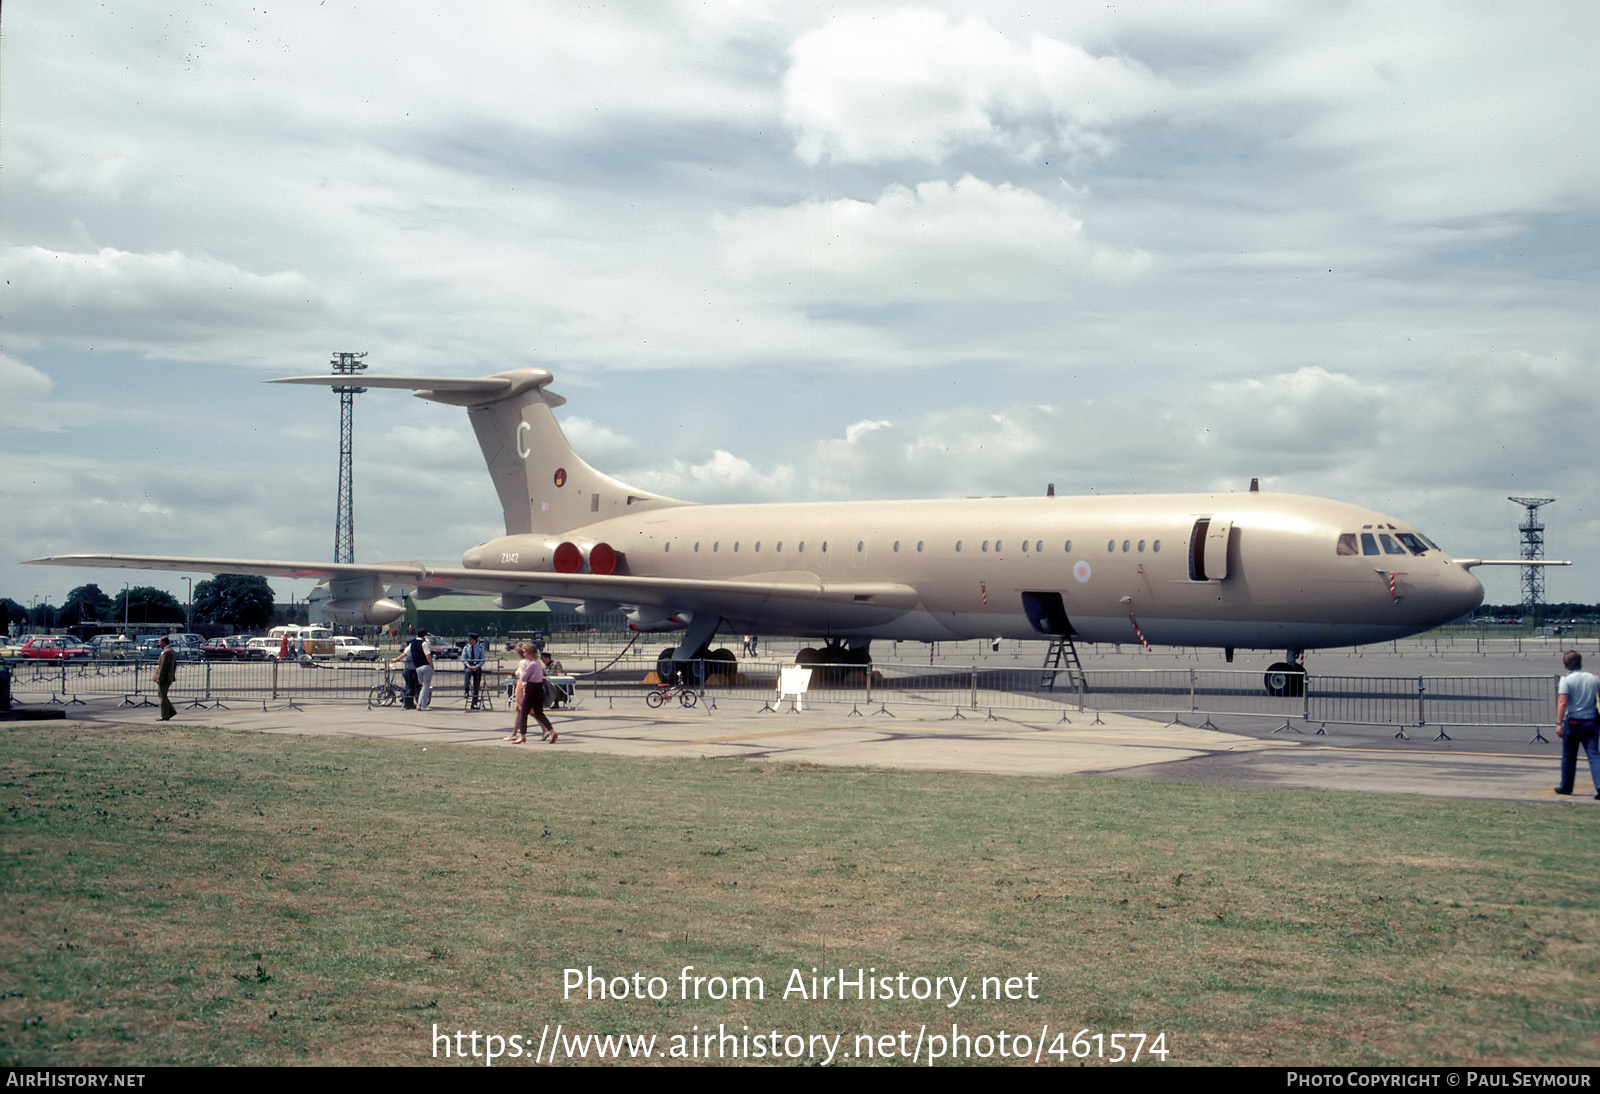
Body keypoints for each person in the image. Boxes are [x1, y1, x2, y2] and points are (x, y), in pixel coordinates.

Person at [1555, 650, 1600, 799]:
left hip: (1574, 721)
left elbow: (1563, 702)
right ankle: (1599, 785)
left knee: (1569, 756)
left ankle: (1566, 786)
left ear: (1566, 663)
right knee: (1594, 755)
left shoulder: (1566, 680)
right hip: (1591, 721)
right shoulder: (1594, 678)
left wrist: (1558, 723)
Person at [511, 643, 556, 744]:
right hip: (539, 688)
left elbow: (523, 677)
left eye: (526, 652)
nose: (524, 654)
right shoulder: (538, 664)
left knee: (523, 712)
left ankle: (522, 735)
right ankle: (551, 731)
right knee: (539, 713)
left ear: (531, 653)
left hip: (531, 688)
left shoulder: (531, 664)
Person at [154, 636, 177, 721]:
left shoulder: (166, 652)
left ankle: (165, 715)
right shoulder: (172, 651)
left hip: (164, 678)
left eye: (159, 642)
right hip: (168, 677)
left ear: (163, 643)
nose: (158, 644)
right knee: (162, 695)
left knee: (162, 696)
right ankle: (170, 712)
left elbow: (163, 666)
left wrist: (159, 678)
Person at [461, 633, 487, 709]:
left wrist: (477, 666)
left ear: (474, 640)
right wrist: (468, 666)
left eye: (470, 639)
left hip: (477, 666)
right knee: (468, 673)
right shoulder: (466, 648)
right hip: (469, 666)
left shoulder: (480, 648)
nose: (469, 641)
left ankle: (474, 702)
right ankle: (466, 690)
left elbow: (482, 659)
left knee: (476, 684)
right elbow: (463, 659)